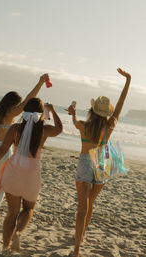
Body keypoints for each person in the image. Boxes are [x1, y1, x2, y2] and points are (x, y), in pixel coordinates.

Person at [0, 97, 62, 251]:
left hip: (14, 173)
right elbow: (59, 129)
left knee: (12, 213)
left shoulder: (15, 129)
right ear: (41, 113)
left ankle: (5, 247)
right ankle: (18, 232)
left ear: (24, 112)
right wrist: (53, 110)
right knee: (28, 209)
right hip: (31, 175)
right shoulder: (44, 130)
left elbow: (3, 150)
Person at [67, 68, 131, 257]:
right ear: (105, 113)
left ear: (92, 111)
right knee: (90, 203)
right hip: (102, 160)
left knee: (82, 208)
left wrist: (73, 113)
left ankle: (77, 250)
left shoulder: (83, 126)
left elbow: (75, 121)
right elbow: (121, 103)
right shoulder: (109, 125)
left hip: (87, 161)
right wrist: (128, 80)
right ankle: (82, 236)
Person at [0, 74, 49, 227]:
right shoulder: (11, 114)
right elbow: (30, 97)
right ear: (13, 104)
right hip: (3, 151)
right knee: (2, 183)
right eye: (17, 104)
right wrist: (40, 82)